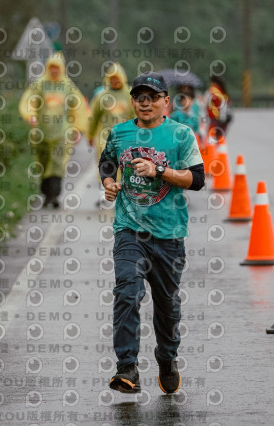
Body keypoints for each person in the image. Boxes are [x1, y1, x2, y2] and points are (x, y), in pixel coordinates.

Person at [98, 72, 205, 394]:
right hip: (129, 230)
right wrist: (109, 184)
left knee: (167, 305)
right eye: (140, 97)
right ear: (132, 101)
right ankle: (127, 367)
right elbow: (106, 163)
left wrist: (160, 170)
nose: (145, 103)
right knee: (127, 292)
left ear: (165, 102)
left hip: (169, 234)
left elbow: (197, 179)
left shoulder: (181, 135)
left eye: (153, 97)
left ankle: (167, 356)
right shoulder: (120, 133)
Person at [18, 52, 88, 208]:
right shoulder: (40, 84)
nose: (54, 71)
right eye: (52, 68)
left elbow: (78, 107)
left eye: (57, 68)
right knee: (42, 163)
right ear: (48, 68)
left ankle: (54, 195)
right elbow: (29, 100)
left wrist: (77, 128)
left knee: (57, 163)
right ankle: (46, 194)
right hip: (41, 132)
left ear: (62, 68)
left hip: (61, 132)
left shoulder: (68, 86)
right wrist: (30, 115)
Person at [88, 63, 135, 203]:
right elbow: (93, 117)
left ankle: (121, 193)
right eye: (112, 78)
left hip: (125, 137)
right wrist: (90, 135)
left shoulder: (130, 95)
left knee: (124, 165)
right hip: (105, 137)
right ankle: (104, 193)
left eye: (117, 78)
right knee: (106, 165)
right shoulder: (101, 96)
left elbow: (136, 116)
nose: (115, 81)